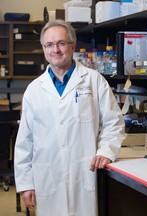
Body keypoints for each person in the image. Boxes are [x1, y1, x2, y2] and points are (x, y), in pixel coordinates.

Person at [14, 20, 125, 216]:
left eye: (61, 43)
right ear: (43, 49)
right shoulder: (33, 90)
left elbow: (113, 122)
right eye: (49, 45)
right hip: (48, 177)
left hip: (84, 175)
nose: (55, 49)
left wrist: (107, 150)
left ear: (72, 46)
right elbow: (25, 141)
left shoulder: (93, 80)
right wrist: (25, 183)